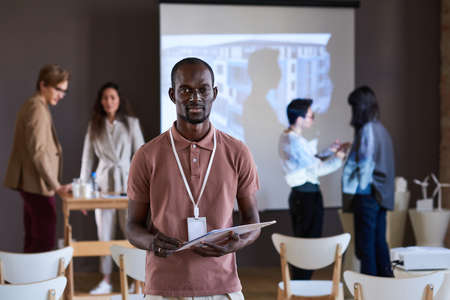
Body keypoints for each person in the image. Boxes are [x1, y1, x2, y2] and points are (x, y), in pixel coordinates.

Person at [126, 57, 260, 299]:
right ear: (172, 94)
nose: (195, 97)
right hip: (163, 288)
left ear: (214, 93)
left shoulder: (237, 152)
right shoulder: (147, 155)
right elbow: (132, 227)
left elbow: (253, 220)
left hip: (222, 286)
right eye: (185, 90)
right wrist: (152, 242)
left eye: (202, 89)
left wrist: (236, 243)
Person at [80, 82, 145, 294]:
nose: (109, 101)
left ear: (119, 100)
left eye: (113, 98)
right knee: (104, 235)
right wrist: (83, 193)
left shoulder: (131, 123)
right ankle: (106, 279)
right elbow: (87, 159)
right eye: (105, 98)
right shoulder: (94, 125)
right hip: (103, 186)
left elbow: (142, 156)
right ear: (101, 101)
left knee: (131, 234)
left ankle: (135, 281)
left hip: (129, 185)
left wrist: (144, 188)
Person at [4, 64, 72, 253]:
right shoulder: (37, 108)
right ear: (43, 85)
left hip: (32, 184)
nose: (61, 95)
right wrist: (56, 186)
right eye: (58, 89)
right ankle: (38, 282)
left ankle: (26, 282)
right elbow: (39, 151)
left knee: (34, 239)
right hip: (37, 185)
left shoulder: (34, 105)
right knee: (44, 242)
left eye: (64, 91)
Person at [278, 98, 348, 280]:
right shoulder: (294, 141)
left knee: (305, 242)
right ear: (299, 119)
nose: (313, 120)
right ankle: (302, 285)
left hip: (303, 195)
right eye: (311, 116)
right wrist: (339, 158)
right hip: (306, 197)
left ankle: (300, 284)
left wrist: (329, 151)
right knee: (308, 243)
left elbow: (309, 161)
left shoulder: (289, 137)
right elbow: (316, 168)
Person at [342, 86, 395, 277]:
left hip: (367, 197)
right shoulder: (382, 129)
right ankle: (385, 290)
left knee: (366, 249)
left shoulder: (367, 130)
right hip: (380, 197)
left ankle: (369, 293)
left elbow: (365, 167)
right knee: (379, 244)